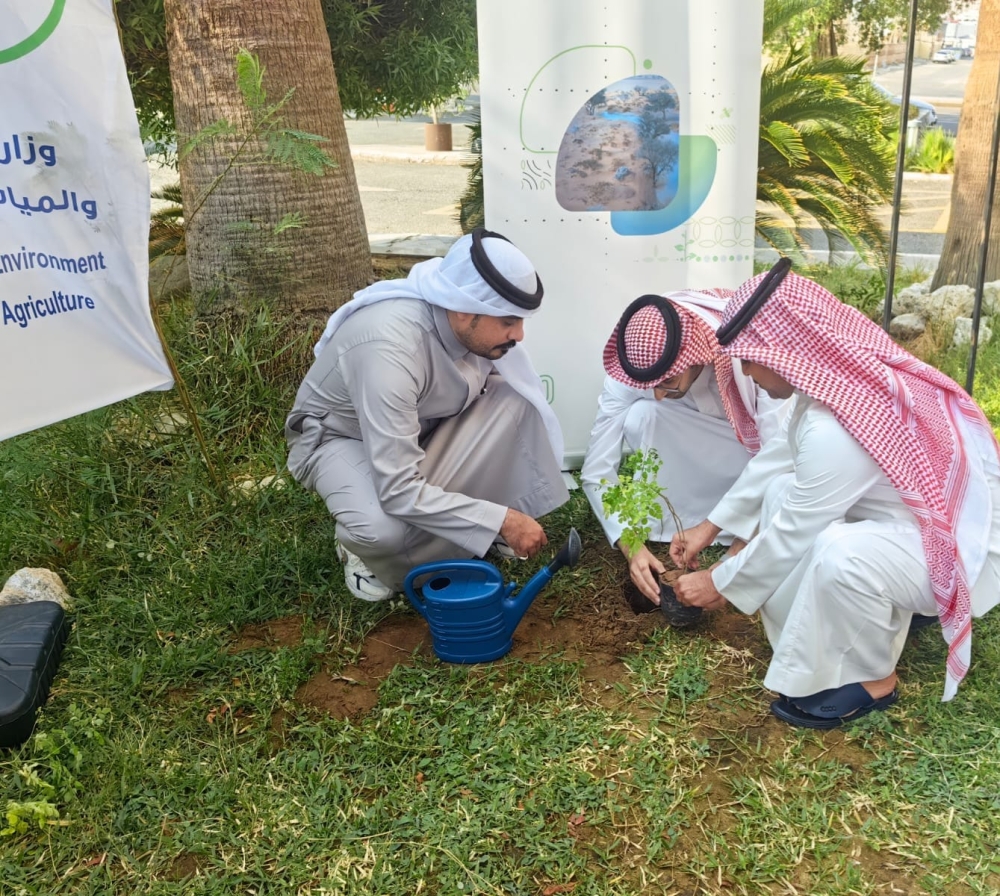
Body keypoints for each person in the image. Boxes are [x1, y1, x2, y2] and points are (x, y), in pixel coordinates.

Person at [671, 260, 1000, 728]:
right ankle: (822, 644)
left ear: (783, 349)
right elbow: (779, 460)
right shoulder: (828, 390)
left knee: (840, 552)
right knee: (784, 490)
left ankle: (873, 681)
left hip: (956, 550)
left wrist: (718, 582)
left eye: (749, 356)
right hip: (912, 528)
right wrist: (711, 527)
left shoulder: (837, 426)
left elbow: (795, 532)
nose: (746, 370)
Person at [285, 229, 569, 601]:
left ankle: (470, 534)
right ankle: (362, 551)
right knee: (384, 529)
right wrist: (503, 518)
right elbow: (399, 489)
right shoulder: (390, 348)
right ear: (464, 306)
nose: (519, 334)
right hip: (343, 439)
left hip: (422, 428)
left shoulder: (469, 330)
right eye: (508, 321)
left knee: (515, 402)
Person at [580, 289, 789, 604]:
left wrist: (730, 564)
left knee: (779, 475)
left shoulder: (750, 360)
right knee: (644, 413)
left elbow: (776, 458)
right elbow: (597, 470)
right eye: (649, 385)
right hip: (687, 445)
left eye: (666, 383)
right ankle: (671, 524)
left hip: (747, 456)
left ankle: (729, 528)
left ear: (695, 357)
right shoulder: (635, 365)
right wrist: (632, 546)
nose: (659, 393)